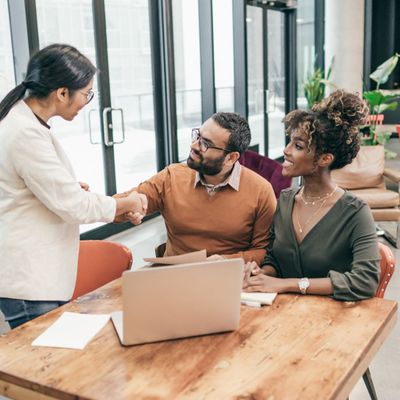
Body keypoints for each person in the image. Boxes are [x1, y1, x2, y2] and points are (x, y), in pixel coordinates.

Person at [0, 44, 147, 329]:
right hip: (30, 281)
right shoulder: (24, 133)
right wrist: (126, 203)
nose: (87, 101)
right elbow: (73, 205)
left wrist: (63, 187)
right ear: (62, 93)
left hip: (34, 274)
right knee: (46, 367)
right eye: (86, 94)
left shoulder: (22, 121)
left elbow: (22, 188)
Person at [243, 90, 380, 301]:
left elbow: (365, 281)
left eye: (298, 146)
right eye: (290, 141)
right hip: (284, 313)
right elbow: (275, 258)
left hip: (332, 319)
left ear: (324, 159)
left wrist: (287, 284)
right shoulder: (286, 199)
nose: (286, 151)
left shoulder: (355, 212)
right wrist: (263, 274)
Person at [116, 112, 277, 264]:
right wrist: (115, 206)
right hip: (174, 276)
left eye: (205, 143)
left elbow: (264, 251)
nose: (194, 145)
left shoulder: (261, 191)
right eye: (197, 136)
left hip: (227, 278)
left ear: (231, 158)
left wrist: (228, 260)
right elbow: (120, 206)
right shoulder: (172, 176)